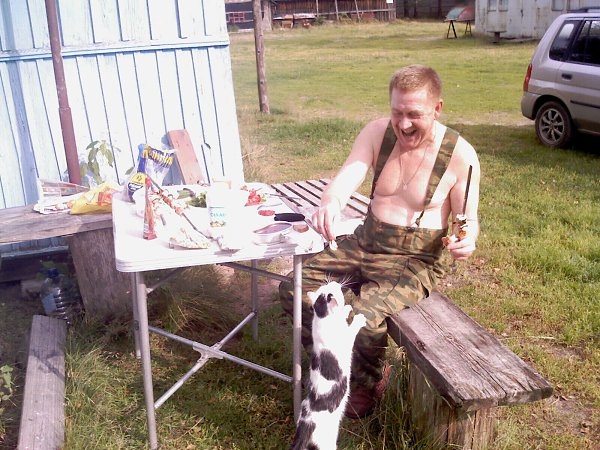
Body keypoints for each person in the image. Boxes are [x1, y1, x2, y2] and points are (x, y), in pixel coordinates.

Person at [279, 64, 480, 419]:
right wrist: (331, 202)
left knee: (364, 317)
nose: (404, 124)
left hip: (413, 258)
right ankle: (329, 363)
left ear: (437, 108)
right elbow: (348, 175)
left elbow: (468, 221)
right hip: (365, 241)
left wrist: (466, 241)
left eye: (414, 115)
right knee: (295, 289)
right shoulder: (377, 133)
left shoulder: (459, 155)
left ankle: (367, 381)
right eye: (397, 112)